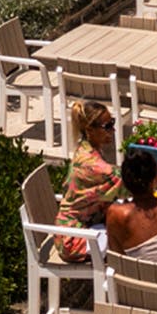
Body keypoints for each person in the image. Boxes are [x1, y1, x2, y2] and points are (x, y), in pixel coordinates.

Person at [52, 100, 124, 261]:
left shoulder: (85, 148)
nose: (112, 130)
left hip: (79, 228)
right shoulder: (90, 163)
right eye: (107, 126)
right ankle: (119, 282)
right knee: (131, 239)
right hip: (74, 240)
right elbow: (128, 181)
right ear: (90, 129)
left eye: (112, 123)